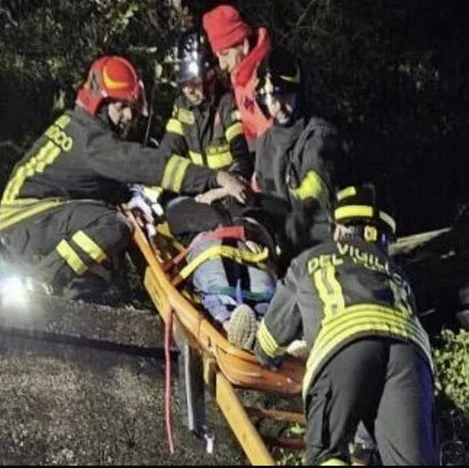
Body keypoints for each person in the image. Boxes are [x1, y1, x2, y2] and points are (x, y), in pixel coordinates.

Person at [0, 55, 250, 300]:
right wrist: (215, 178)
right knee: (113, 225)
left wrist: (131, 195)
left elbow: (95, 181)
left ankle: (72, 300)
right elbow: (146, 164)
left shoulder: (81, 127)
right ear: (100, 104)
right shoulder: (92, 141)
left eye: (132, 107)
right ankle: (43, 280)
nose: (129, 116)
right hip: (24, 222)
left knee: (109, 248)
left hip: (29, 219)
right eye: (121, 107)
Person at [253, 184, 439, 466]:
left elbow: (269, 341)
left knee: (326, 454)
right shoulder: (397, 274)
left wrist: (264, 352)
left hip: (344, 343)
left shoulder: (309, 260)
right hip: (411, 354)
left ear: (339, 230)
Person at [252, 47, 345, 258]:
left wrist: (286, 234)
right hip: (278, 245)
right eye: (270, 99)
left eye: (285, 96)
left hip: (317, 242)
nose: (278, 106)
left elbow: (314, 200)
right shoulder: (265, 143)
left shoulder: (318, 136)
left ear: (299, 93)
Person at [164, 193, 279, 350]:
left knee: (218, 292)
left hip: (216, 256)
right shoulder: (256, 210)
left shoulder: (181, 209)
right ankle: (269, 331)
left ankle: (229, 323)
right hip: (249, 259)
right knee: (261, 296)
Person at [160, 29, 253, 180]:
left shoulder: (227, 104)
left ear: (210, 76)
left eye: (194, 82)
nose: (188, 90)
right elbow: (168, 151)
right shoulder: (183, 107)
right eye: (183, 83)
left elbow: (242, 155)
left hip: (228, 187)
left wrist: (231, 182)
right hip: (199, 187)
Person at [202, 3, 274, 147]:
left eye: (225, 54)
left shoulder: (269, 75)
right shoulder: (237, 74)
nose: (222, 65)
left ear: (244, 45)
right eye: (218, 56)